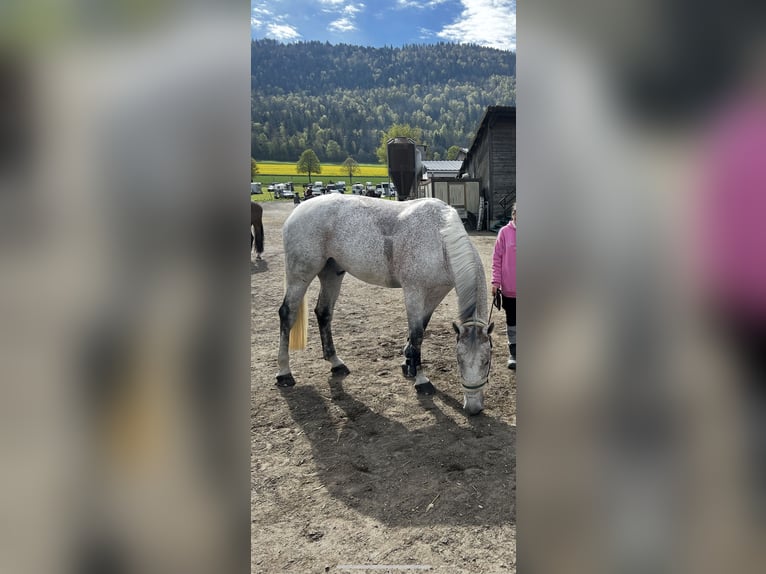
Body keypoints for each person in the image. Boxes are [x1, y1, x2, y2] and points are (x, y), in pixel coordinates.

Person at [491, 202, 517, 369]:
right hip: (510, 288)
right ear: (514, 214)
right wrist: (495, 281)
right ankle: (514, 352)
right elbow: (496, 259)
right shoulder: (504, 233)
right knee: (512, 320)